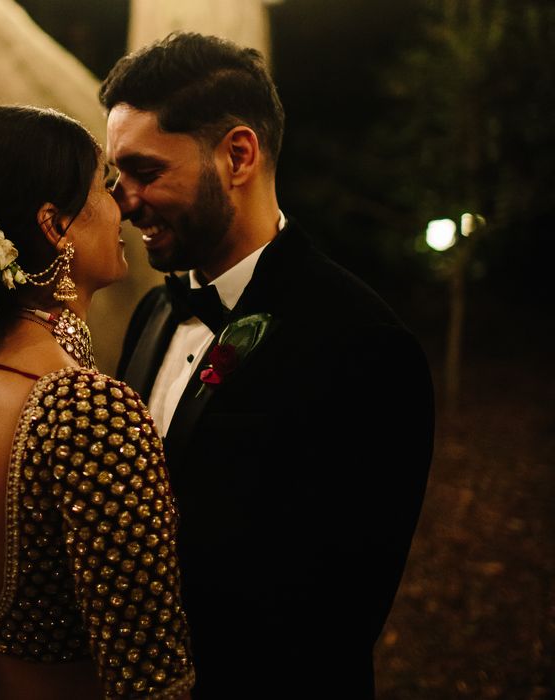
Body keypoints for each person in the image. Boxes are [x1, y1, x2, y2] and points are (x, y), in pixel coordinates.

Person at [100, 32, 435, 698]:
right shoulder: (154, 315)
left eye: (145, 172)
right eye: (116, 177)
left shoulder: (363, 344)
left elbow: (340, 615)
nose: (123, 199)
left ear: (238, 155)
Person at [0, 105, 195, 700]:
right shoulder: (85, 408)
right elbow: (150, 676)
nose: (123, 204)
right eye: (103, 186)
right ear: (53, 225)